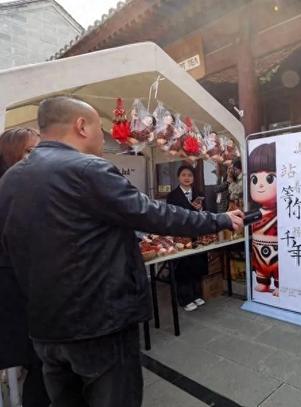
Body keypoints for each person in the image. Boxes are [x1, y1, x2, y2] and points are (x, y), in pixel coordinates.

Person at [0, 96, 244, 407]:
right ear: (81, 125)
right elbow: (155, 214)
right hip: (99, 323)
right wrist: (220, 219)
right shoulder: (88, 169)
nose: (104, 138)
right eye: (100, 130)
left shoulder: (10, 180)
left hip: (45, 330)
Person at [0, 128, 50, 407]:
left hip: (35, 295)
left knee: (42, 366)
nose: (37, 157)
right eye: (30, 151)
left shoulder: (31, 186)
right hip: (17, 296)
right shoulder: (10, 190)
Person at [166, 165, 208, 311]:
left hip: (197, 234)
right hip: (181, 235)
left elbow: (205, 212)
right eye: (183, 175)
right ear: (178, 177)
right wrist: (191, 209)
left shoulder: (199, 193)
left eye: (190, 175)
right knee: (183, 266)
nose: (187, 178)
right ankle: (185, 299)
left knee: (196, 264)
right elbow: (173, 216)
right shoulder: (172, 196)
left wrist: (200, 209)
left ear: (193, 178)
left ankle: (196, 294)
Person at [248, 143, 279, 296]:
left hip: (276, 253)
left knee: (279, 265)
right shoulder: (255, 212)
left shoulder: (282, 213)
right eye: (254, 179)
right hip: (258, 250)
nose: (260, 185)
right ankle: (263, 281)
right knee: (260, 266)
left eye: (269, 178)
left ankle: (279, 282)